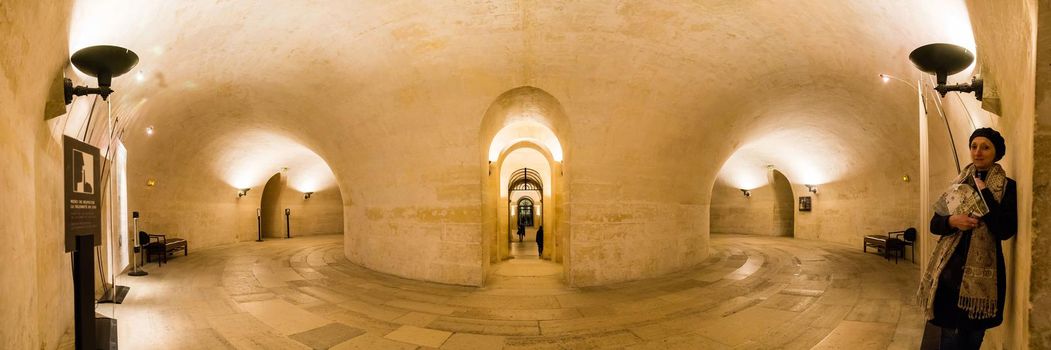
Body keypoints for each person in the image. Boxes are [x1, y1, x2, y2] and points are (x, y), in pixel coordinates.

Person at [918, 128, 1017, 350]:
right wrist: (953, 221)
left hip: (983, 282)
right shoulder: (958, 184)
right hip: (950, 277)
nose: (978, 152)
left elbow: (1005, 230)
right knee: (950, 340)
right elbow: (935, 224)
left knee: (973, 340)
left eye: (985, 147)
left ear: (996, 152)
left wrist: (986, 195)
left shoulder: (1007, 187)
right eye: (974, 146)